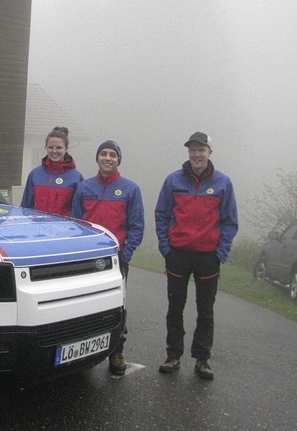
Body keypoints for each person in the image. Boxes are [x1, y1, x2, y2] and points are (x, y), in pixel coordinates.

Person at [154, 131, 238, 380]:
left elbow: (230, 221)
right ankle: (173, 355)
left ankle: (202, 359)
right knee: (175, 306)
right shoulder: (173, 180)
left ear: (209, 152)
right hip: (177, 254)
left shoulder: (223, 183)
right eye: (192, 149)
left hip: (207, 257)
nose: (196, 154)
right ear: (188, 152)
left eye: (201, 149)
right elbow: (161, 215)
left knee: (206, 310)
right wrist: (165, 248)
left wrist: (220, 253)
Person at [72, 140, 144, 376]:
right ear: (97, 158)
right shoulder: (84, 188)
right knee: (83, 303)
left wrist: (126, 254)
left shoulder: (130, 189)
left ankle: (116, 351)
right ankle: (81, 353)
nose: (107, 158)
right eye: (103, 154)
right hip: (88, 260)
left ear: (118, 160)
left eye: (112, 155)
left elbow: (136, 226)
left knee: (117, 306)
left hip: (116, 260)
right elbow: (75, 223)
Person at [21, 126, 83, 216]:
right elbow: (25, 208)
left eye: (59, 148)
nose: (54, 151)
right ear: (46, 148)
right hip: (38, 228)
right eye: (50, 147)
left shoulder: (76, 178)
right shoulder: (35, 174)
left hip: (64, 229)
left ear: (66, 149)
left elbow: (79, 213)